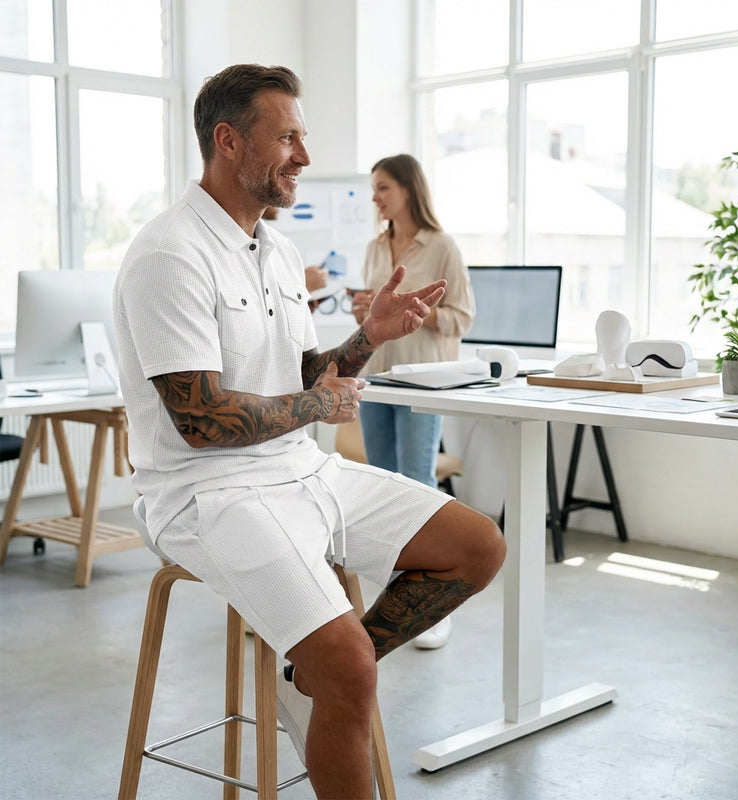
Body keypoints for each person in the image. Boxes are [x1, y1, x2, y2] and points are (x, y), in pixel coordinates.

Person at [113, 64, 505, 800]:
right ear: (228, 142)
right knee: (353, 668)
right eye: (287, 136)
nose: (305, 154)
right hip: (208, 495)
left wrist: (368, 337)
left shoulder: (280, 252)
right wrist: (318, 408)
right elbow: (201, 423)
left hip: (301, 470)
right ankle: (334, 674)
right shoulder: (170, 252)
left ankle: (311, 678)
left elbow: (303, 376)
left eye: (304, 135)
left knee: (476, 546)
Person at [350, 154, 475, 650]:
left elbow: (462, 316)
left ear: (407, 189)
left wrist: (419, 314)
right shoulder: (374, 247)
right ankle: (397, 594)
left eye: (383, 188)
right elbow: (373, 319)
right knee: (384, 488)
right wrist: (367, 312)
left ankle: (433, 605)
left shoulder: (442, 246)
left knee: (419, 485)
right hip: (376, 379)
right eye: (374, 189)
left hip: (423, 381)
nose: (376, 198)